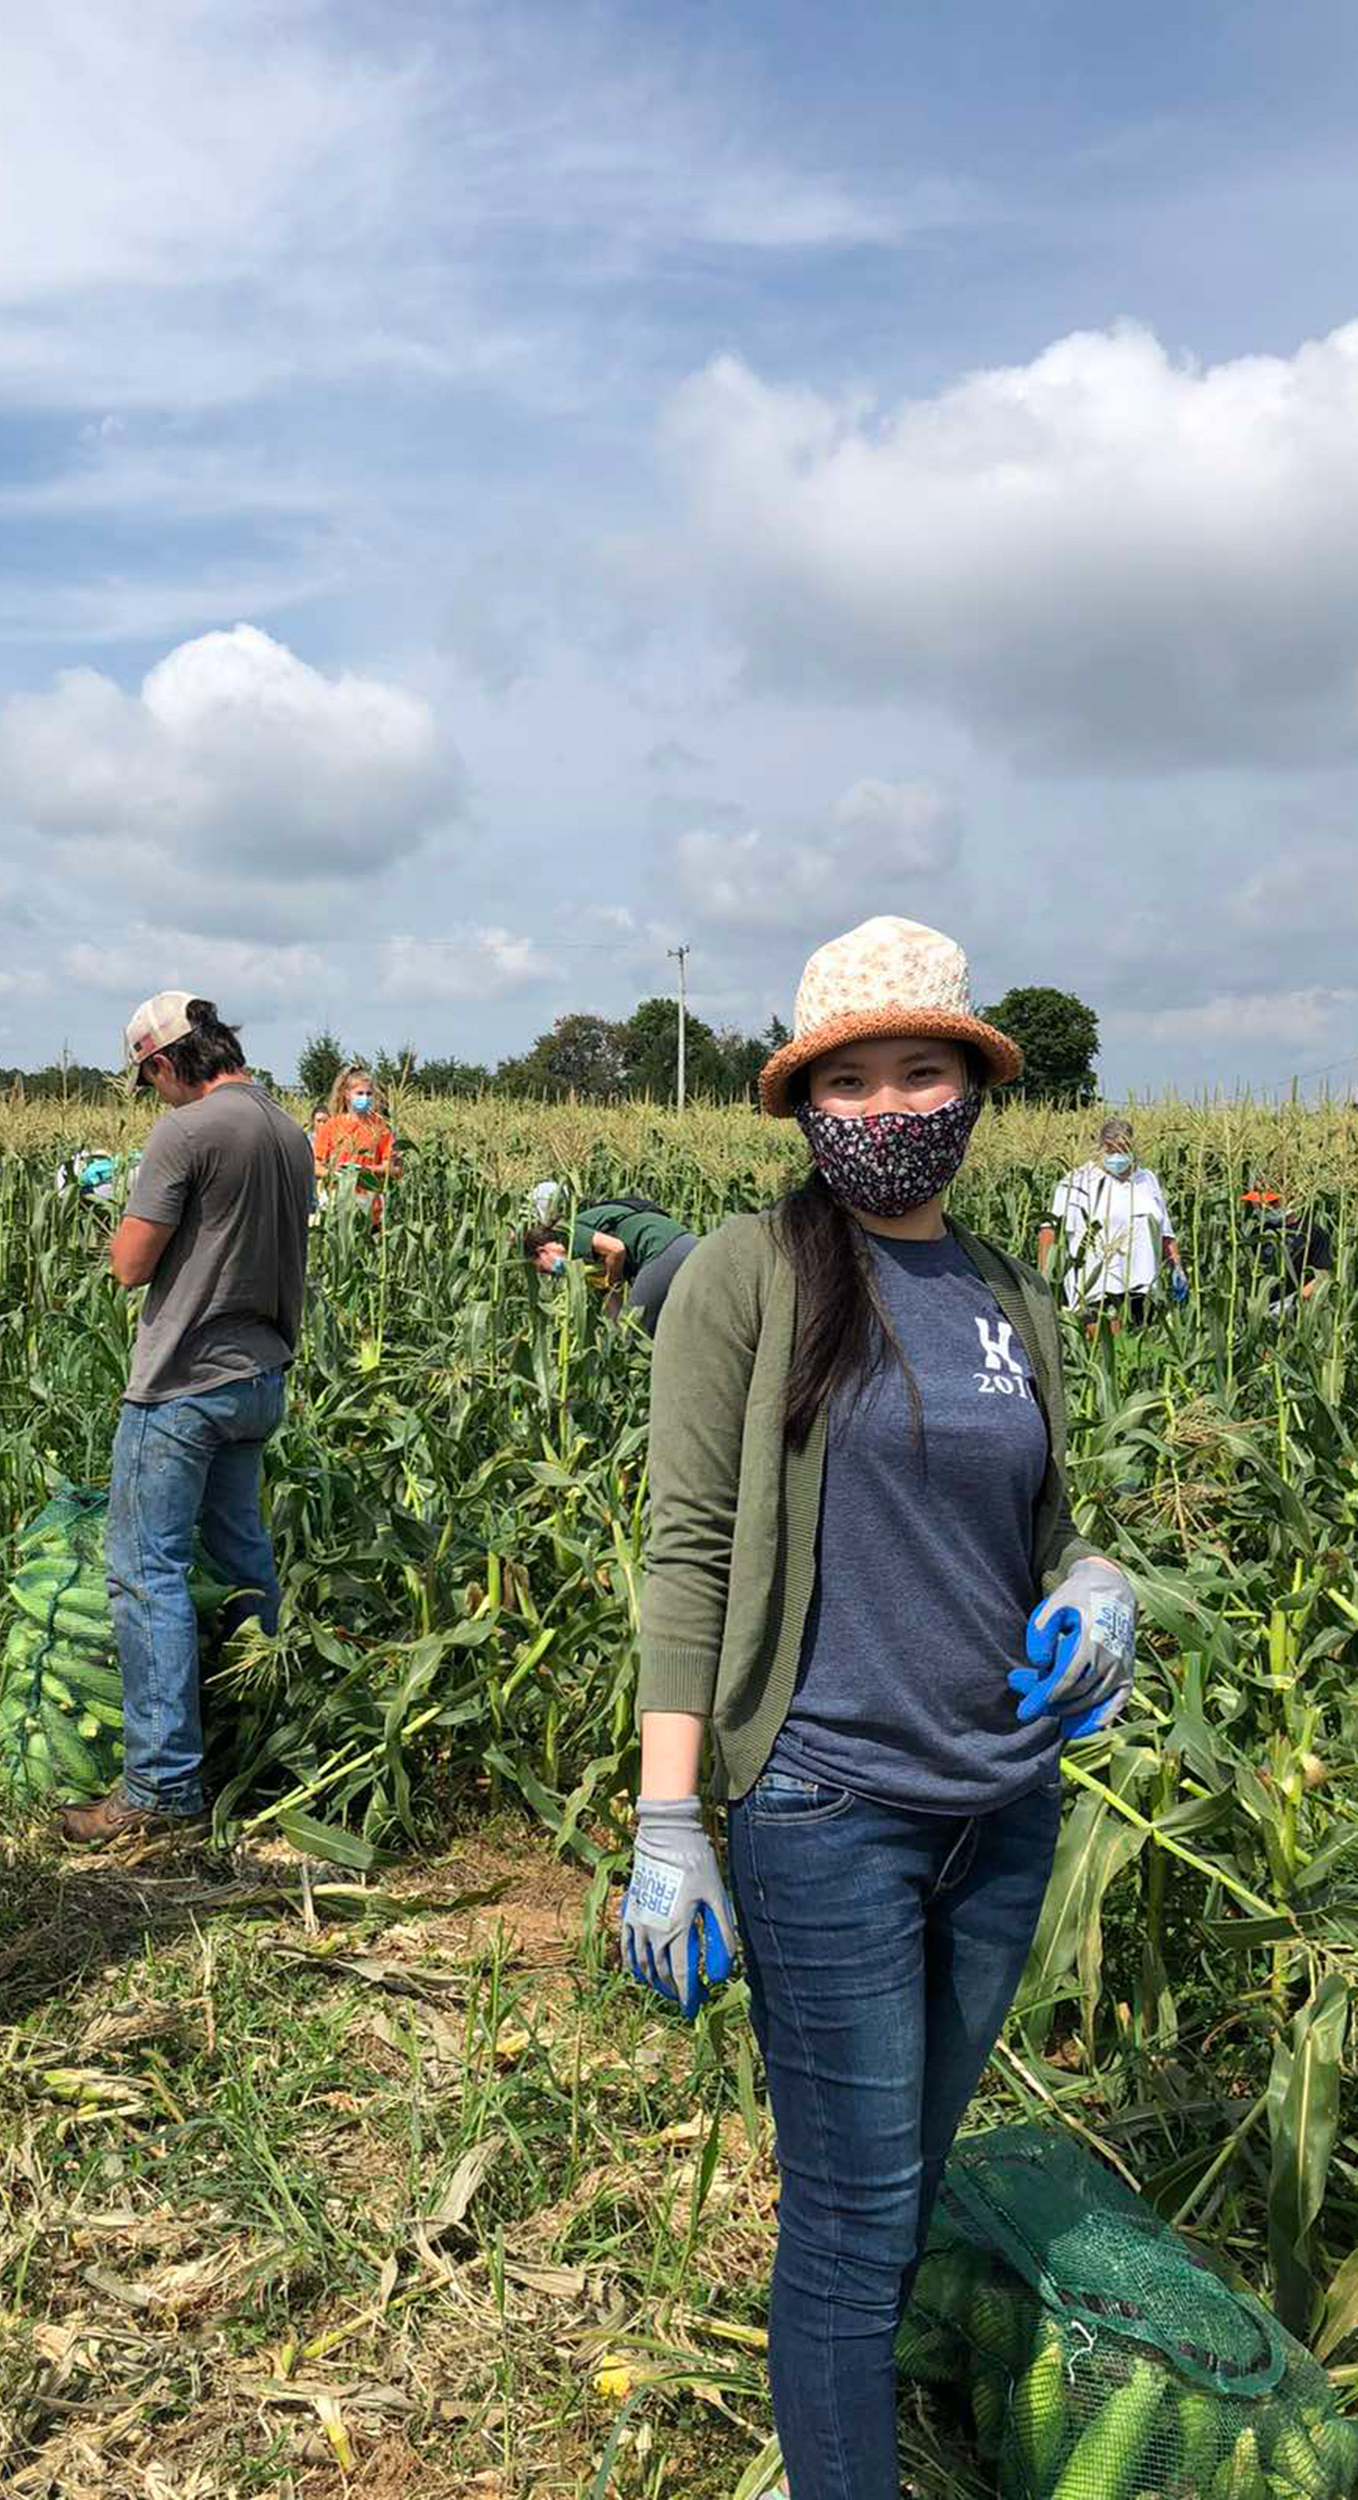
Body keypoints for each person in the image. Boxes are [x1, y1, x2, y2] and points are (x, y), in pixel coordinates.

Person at [623, 916, 1138, 2500]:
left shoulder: (1002, 1292)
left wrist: (1095, 1578)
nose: (886, 1105)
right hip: (826, 1809)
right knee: (849, 2222)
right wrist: (668, 1821)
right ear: (803, 1107)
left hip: (1002, 1805)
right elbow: (691, 1548)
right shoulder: (744, 1277)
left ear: (971, 1093)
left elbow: (1039, 1517)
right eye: (849, 1081)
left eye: (920, 1071)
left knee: (902, 2181)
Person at [61, 991, 313, 1850]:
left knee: (146, 1572)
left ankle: (163, 1782)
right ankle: (262, 1743)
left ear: (164, 1063)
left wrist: (112, 1232)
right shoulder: (286, 1128)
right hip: (260, 1377)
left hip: (184, 1382)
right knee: (243, 1557)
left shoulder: (186, 1132)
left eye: (149, 1081)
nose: (154, 1098)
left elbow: (132, 1265)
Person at [1038, 1116, 1186, 1325]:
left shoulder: (1146, 1179)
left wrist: (1176, 1267)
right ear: (1100, 1147)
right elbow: (1050, 1231)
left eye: (1123, 1149)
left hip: (1143, 1289)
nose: (1117, 1156)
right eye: (1111, 1150)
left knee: (1136, 1348)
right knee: (1104, 1346)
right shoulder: (1077, 1181)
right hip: (1096, 1287)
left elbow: (1164, 1233)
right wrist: (1044, 1278)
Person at [521, 1193, 698, 1338]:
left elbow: (616, 1249)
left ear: (542, 1251)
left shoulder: (568, 1233)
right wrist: (613, 1334)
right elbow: (611, 1299)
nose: (553, 1275)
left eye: (544, 1269)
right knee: (674, 1331)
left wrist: (613, 1281)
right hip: (689, 1243)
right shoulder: (588, 1260)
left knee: (635, 1333)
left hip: (661, 1249)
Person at [310, 1066, 401, 1224]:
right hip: (338, 1201)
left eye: (368, 1094)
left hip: (370, 1204)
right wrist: (336, 1174)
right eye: (359, 1093)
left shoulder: (381, 1128)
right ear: (346, 1095)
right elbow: (315, 1166)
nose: (364, 1098)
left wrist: (364, 1171)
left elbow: (393, 1168)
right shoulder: (332, 1126)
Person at [1242, 1183, 1335, 1310]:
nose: (1264, 1208)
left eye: (1272, 1203)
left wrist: (1294, 1302)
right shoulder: (1258, 1233)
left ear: (1290, 1198)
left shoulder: (1312, 1232)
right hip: (1260, 1308)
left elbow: (1323, 1275)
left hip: (1297, 1310)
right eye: (1258, 1203)